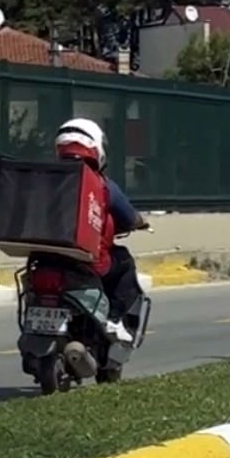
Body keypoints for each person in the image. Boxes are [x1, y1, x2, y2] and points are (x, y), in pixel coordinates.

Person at [54, 117, 145, 342]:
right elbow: (130, 217)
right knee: (123, 262)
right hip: (88, 262)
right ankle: (114, 320)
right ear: (97, 147)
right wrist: (139, 223)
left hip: (46, 259)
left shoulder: (46, 178)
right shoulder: (102, 184)